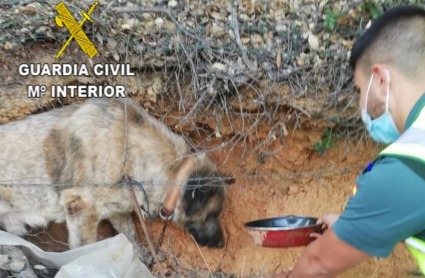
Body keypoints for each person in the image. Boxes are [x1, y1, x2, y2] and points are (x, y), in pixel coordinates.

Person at [274, 5, 425, 278]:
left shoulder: (409, 162)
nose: (360, 106)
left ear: (380, 80)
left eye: (359, 90)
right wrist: (353, 225)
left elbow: (317, 265)